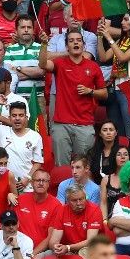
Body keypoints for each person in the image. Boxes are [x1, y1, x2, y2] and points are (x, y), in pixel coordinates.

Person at [40, 30, 107, 166]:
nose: (75, 42)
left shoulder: (93, 66)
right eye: (71, 40)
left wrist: (90, 91)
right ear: (66, 47)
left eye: (78, 40)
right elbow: (43, 64)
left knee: (83, 165)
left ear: (83, 44)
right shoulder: (59, 63)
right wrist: (43, 44)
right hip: (61, 124)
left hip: (84, 124)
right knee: (62, 166)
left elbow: (104, 93)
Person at [0, 98, 42, 192]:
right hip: (3, 184)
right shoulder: (2, 131)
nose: (17, 118)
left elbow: (38, 162)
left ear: (26, 117)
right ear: (9, 117)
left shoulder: (35, 136)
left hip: (24, 186)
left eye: (21, 115)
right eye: (14, 115)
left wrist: (27, 178)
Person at [17, 169, 63, 259]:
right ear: (31, 182)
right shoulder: (20, 200)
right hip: (18, 249)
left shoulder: (56, 205)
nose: (41, 183)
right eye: (38, 180)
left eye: (44, 181)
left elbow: (50, 238)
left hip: (39, 252)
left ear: (48, 183)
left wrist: (31, 255)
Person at [49, 183, 103, 259]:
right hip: (67, 250)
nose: (79, 203)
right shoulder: (62, 210)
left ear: (85, 197)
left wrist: (68, 248)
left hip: (88, 249)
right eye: (74, 200)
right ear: (67, 201)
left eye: (81, 199)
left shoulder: (94, 210)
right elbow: (53, 240)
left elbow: (91, 241)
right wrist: (56, 247)